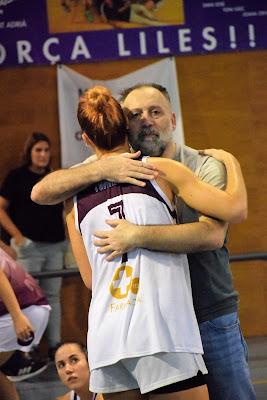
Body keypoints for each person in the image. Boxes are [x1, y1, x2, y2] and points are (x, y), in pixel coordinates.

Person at [30, 84, 254, 400]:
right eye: (136, 114)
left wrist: (134, 236)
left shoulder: (75, 197)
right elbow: (233, 209)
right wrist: (232, 161)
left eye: (155, 112)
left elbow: (90, 278)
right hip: (162, 328)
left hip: (113, 333)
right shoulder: (158, 171)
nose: (146, 120)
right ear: (125, 125)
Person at [0, 132, 67, 359]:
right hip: (28, 249)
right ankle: (24, 350)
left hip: (56, 246)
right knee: (25, 300)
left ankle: (55, 346)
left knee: (53, 298)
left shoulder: (53, 177)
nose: (43, 155)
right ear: (29, 152)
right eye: (38, 150)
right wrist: (17, 236)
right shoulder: (16, 177)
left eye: (46, 150)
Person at [0, 241, 50, 400]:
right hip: (31, 307)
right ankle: (18, 363)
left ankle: (19, 362)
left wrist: (17, 317)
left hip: (22, 311)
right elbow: (11, 253)